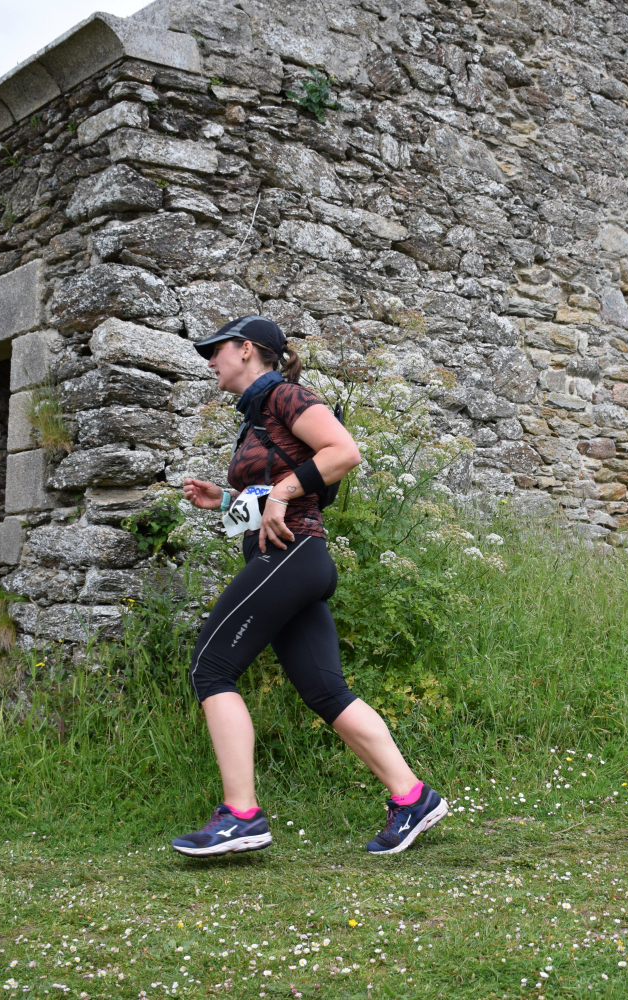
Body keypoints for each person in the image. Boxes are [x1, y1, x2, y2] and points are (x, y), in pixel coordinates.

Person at [170, 315, 448, 855]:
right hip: (293, 559)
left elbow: (342, 452)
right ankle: (412, 797)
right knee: (326, 691)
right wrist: (225, 501)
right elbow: (276, 491)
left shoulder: (285, 396)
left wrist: (279, 495)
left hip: (291, 555)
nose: (209, 360)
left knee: (211, 667)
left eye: (215, 349)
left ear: (247, 350)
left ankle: (241, 815)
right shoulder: (257, 414)